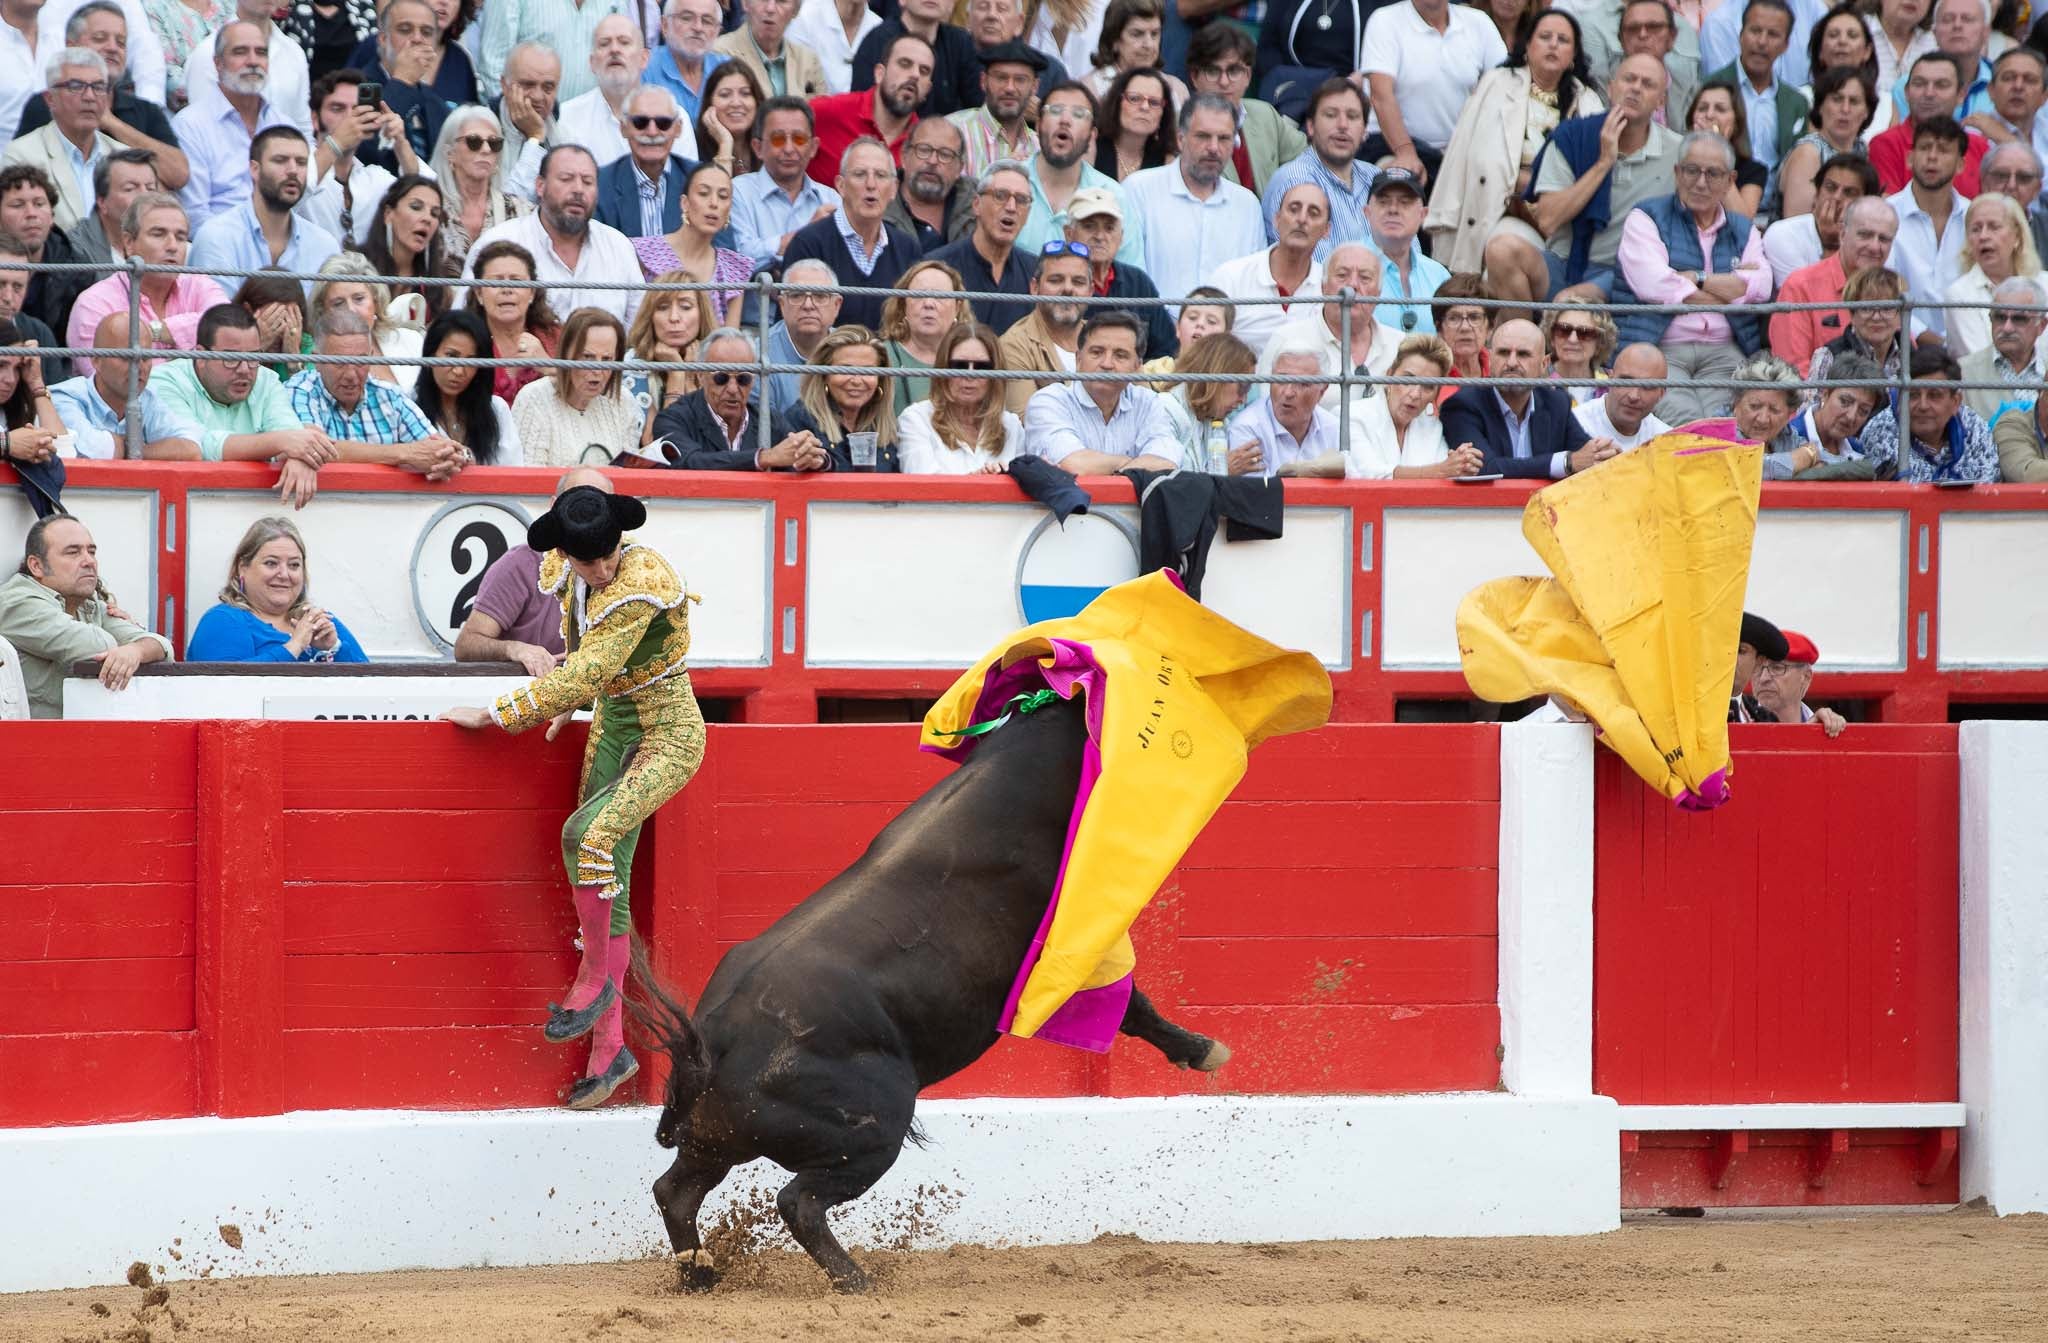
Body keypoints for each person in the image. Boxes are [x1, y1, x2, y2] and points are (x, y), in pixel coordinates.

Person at [441, 485, 709, 1110]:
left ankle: (592, 982)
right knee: (595, 855)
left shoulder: (643, 575)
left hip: (666, 733)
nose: (603, 569)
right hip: (615, 726)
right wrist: (576, 702)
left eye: (608, 554)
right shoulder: (562, 569)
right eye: (590, 562)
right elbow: (588, 662)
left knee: (588, 837)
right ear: (566, 552)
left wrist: (497, 714)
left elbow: (587, 669)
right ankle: (609, 1050)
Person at [1483, 53, 1683, 307]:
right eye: (1629, 79)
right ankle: (1524, 341)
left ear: (1661, 100)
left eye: (1648, 84)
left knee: (1571, 301)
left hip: (1626, 274)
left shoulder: (1679, 152)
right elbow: (1548, 219)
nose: (1635, 88)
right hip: (1566, 265)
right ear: (1611, 89)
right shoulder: (1572, 137)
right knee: (1501, 250)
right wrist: (1602, 164)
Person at [1427, 8, 1605, 276]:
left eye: (1563, 40)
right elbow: (1461, 151)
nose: (1553, 44)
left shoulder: (1588, 103)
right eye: (1545, 36)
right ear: (1527, 47)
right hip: (1498, 209)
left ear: (1573, 57)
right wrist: (1445, 216)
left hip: (1560, 220)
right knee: (1496, 259)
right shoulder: (1496, 83)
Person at [1613, 130, 1772, 423]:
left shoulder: (1742, 228)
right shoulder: (1646, 217)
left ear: (1729, 181)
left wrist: (1697, 278)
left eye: (1713, 173)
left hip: (1725, 351)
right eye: (1692, 170)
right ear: (1676, 172)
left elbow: (1762, 287)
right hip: (1662, 347)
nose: (1701, 182)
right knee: (1686, 421)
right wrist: (1732, 289)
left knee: (1722, 423)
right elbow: (1654, 284)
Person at [146, 302, 337, 503]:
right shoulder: (164, 381)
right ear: (201, 355)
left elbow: (293, 435)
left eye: (253, 357)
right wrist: (282, 442)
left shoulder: (267, 379)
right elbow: (195, 446)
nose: (245, 369)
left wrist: (299, 457)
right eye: (232, 358)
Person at [0, 514, 171, 717]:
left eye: (91, 551)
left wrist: (135, 651)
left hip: (78, 737)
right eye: (73, 552)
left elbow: (163, 647)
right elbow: (97, 647)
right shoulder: (16, 602)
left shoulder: (87, 604)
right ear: (36, 566)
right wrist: (125, 649)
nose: (89, 561)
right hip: (23, 743)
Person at [453, 465, 613, 675]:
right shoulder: (520, 564)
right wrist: (515, 649)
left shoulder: (633, 564)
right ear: (555, 507)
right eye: (578, 507)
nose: (589, 517)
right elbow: (466, 646)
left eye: (600, 507)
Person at [463, 145, 646, 328]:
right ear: (540, 186)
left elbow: (638, 332)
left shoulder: (619, 246)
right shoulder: (498, 242)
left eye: (588, 182)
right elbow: (463, 324)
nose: (578, 190)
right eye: (566, 179)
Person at [283, 310, 467, 476]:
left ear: (372, 356)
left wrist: (451, 456)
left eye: (361, 362)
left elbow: (434, 448)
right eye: (339, 362)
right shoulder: (301, 389)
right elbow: (314, 448)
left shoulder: (389, 396)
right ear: (316, 360)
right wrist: (404, 454)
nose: (351, 374)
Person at [1123, 93, 1263, 301]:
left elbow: (1251, 284)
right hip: (1153, 328)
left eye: (1224, 138)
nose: (1214, 148)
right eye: (1203, 136)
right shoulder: (1139, 190)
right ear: (1180, 139)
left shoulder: (1247, 204)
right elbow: (1129, 277)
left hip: (1228, 330)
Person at [66, 193, 224, 375]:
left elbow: (226, 330)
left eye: (181, 237)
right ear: (129, 242)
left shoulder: (202, 286)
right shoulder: (94, 304)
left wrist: (154, 331)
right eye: (159, 234)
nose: (173, 246)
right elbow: (110, 379)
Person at [1361, 0, 1510, 190]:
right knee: (1400, 181)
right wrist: (1406, 153)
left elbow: (1507, 87)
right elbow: (1381, 96)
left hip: (1461, 152)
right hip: (1391, 147)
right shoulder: (1384, 20)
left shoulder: (1479, 22)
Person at [782, 137, 925, 332]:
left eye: (881, 175)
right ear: (840, 186)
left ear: (894, 189)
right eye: (860, 174)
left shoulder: (907, 248)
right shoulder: (809, 244)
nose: (871, 184)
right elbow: (792, 325)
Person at [1440, 317, 1613, 477]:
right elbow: (1486, 469)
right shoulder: (1463, 405)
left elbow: (1584, 457)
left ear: (1544, 364)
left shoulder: (1557, 402)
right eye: (1503, 353)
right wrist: (1565, 462)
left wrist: (1602, 454)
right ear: (1491, 358)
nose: (1512, 363)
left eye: (1523, 354)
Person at [1302, 334, 1485, 480]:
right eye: (1407, 380)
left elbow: (1446, 473)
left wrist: (1463, 462)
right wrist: (1442, 470)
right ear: (1389, 376)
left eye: (1428, 386)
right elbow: (1371, 475)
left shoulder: (1432, 427)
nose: (1415, 394)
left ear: (1435, 395)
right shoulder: (1351, 415)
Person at [186, 516, 367, 662]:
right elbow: (225, 689)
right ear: (243, 567)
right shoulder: (224, 619)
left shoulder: (318, 620)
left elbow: (373, 687)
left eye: (294, 565)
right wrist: (295, 645)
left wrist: (334, 646)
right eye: (271, 563)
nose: (284, 574)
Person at [651, 326, 830, 471]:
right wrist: (762, 457)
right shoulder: (673, 418)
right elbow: (690, 463)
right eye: (721, 378)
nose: (732, 389)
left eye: (743, 379)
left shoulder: (768, 419)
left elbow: (807, 458)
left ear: (753, 381)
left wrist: (816, 460)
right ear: (700, 376)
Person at [1023, 309, 1181, 473]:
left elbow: (1166, 462)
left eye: (1120, 355)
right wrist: (1130, 464)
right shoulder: (1049, 401)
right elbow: (1073, 465)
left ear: (1136, 367)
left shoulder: (1149, 403)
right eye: (1097, 352)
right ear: (1078, 360)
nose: (1107, 364)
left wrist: (1107, 467)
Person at [1257, 243, 1404, 414]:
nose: (1352, 285)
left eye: (1365, 278)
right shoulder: (1287, 339)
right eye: (1342, 275)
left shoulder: (1400, 345)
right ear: (1323, 287)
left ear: (1378, 292)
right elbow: (1266, 414)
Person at [1015, 81, 1145, 266]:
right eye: (1055, 110)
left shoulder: (1113, 195)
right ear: (1038, 125)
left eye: (1078, 114)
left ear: (1092, 135)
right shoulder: (1006, 181)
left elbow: (1131, 282)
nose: (1065, 120)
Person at [187, 124, 340, 276]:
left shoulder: (325, 246)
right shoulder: (216, 237)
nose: (293, 170)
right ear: (254, 169)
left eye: (301, 162)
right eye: (280, 160)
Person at [1769, 194, 1899, 372]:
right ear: (1843, 234)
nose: (1875, 247)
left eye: (1883, 239)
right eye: (1865, 235)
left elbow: (1908, 357)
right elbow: (1793, 372)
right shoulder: (1800, 286)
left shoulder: (1894, 289)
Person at [48, 311, 203, 457]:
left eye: (146, 357)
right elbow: (92, 449)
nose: (139, 366)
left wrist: (133, 451)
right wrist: (146, 450)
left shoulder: (148, 398)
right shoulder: (63, 397)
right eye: (127, 357)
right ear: (96, 360)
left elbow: (191, 448)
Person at [170, 20, 278, 228]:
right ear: (218, 63)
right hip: (220, 250)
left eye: (261, 52)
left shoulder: (282, 124)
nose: (253, 61)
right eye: (240, 52)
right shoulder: (190, 126)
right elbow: (194, 214)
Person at [300, 67, 424, 248]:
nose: (351, 118)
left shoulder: (375, 179)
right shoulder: (296, 165)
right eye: (337, 108)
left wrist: (400, 143)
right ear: (315, 119)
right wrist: (337, 142)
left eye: (358, 109)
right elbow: (286, 198)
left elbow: (422, 199)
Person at [1202, 179, 1327, 358]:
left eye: (1313, 213)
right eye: (1293, 209)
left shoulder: (1330, 287)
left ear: (1327, 230)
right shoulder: (1231, 277)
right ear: (1276, 219)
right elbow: (1203, 350)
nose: (1302, 219)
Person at [1259, 77, 1374, 263]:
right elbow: (1316, 273)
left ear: (1364, 131)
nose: (1343, 125)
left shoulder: (1374, 177)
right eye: (1330, 115)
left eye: (1352, 116)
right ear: (1310, 127)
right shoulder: (1295, 180)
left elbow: (1408, 259)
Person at [3, 48, 119, 231]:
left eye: (98, 87)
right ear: (50, 98)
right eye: (75, 86)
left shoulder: (123, 156)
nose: (89, 96)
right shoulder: (20, 157)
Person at [1186, 21, 1304, 201]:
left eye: (1233, 71)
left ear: (1248, 76)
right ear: (1194, 77)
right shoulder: (1182, 126)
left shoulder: (1265, 114)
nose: (1224, 82)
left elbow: (1307, 159)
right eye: (1213, 71)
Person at [512, 306, 636, 469]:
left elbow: (630, 476)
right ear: (566, 354)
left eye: (607, 359)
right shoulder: (534, 398)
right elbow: (528, 483)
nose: (597, 370)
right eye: (587, 357)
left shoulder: (622, 400)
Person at [1060, 182, 1174, 359]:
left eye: (1109, 228)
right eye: (1089, 226)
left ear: (1121, 237)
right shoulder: (1057, 284)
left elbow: (1167, 349)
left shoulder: (1138, 282)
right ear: (1069, 234)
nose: (1100, 236)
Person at [1701, 0, 1811, 181]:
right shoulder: (1708, 89)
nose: (1762, 41)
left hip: (1779, 206)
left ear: (1785, 45)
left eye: (1773, 34)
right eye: (1755, 31)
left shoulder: (1795, 102)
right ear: (1741, 35)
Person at [629, 162, 750, 326]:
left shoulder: (733, 268)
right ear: (684, 203)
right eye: (703, 193)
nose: (714, 203)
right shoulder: (643, 252)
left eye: (723, 196)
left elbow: (730, 341)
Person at [1886, 113, 1971, 344]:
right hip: (1901, 343)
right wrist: (1923, 336)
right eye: (1925, 148)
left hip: (1968, 345)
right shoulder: (1885, 215)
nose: (1932, 157)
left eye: (1943, 150)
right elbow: (1881, 288)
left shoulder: (1975, 218)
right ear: (1910, 158)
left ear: (1961, 164)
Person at [897, 317, 1023, 472]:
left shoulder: (1011, 426)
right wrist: (978, 482)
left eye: (981, 367)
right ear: (943, 368)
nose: (969, 375)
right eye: (960, 365)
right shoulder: (916, 419)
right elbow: (922, 488)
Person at [1858, 343, 2002, 479]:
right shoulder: (1880, 431)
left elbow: (1986, 488)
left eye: (1934, 395)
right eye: (1913, 395)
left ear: (1955, 402)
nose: (1923, 405)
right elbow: (1915, 493)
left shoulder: (1974, 427)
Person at [730, 96, 841, 271]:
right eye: (778, 139)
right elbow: (739, 259)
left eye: (799, 139)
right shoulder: (738, 191)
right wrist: (809, 234)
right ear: (758, 148)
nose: (789, 149)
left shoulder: (831, 199)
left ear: (813, 147)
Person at [808, 30, 931, 185]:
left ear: (928, 89)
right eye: (905, 64)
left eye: (924, 71)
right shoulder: (827, 112)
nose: (915, 75)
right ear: (879, 74)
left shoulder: (925, 145)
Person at [340, 0, 453, 170]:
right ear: (383, 39)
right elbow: (365, 151)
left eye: (427, 32)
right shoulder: (355, 86)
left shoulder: (437, 104)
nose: (417, 39)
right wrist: (403, 81)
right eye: (405, 30)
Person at [926, 159, 1035, 330]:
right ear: (976, 205)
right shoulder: (938, 268)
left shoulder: (1036, 272)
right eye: (1000, 196)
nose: (1011, 207)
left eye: (1021, 200)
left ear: (1028, 214)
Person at [1217, 330, 1343, 476]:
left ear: (1322, 390)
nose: (1288, 393)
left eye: (1301, 384)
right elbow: (1253, 495)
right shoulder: (1247, 428)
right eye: (1281, 380)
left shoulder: (1333, 428)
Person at [184, 0, 313, 136]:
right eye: (240, 52)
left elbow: (303, 130)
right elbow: (200, 129)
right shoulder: (207, 52)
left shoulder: (294, 53)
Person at [1868, 51, 1987, 194]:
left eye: (1941, 85)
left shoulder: (1979, 147)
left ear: (1961, 95)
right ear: (1906, 92)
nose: (1929, 93)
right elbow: (1888, 209)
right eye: (1919, 84)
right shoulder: (1886, 144)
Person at [414, 306, 520, 466]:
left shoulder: (497, 409)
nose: (459, 371)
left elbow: (513, 472)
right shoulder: (407, 404)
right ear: (431, 353)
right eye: (451, 356)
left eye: (470, 361)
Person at [784, 323, 899, 470]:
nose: (857, 380)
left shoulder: (883, 426)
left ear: (880, 379)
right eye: (845, 369)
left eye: (868, 371)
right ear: (824, 375)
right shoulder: (801, 420)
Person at [1942, 189, 2043, 354]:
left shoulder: (2044, 284)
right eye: (1975, 229)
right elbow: (1980, 361)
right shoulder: (1959, 294)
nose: (1983, 236)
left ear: (2017, 236)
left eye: (1994, 227)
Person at [463, 238, 560, 407]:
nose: (507, 289)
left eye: (516, 281)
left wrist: (547, 366)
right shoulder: (463, 340)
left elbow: (583, 392)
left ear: (531, 293)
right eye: (496, 282)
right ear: (479, 293)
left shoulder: (558, 337)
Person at [624, 268, 715, 445]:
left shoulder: (718, 363)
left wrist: (690, 381)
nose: (674, 317)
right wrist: (677, 375)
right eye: (663, 308)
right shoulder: (633, 364)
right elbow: (658, 444)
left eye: (685, 307)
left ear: (702, 314)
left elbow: (712, 443)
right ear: (650, 316)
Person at [592, 86, 696, 239]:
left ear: (678, 129)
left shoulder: (699, 181)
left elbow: (724, 255)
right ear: (623, 128)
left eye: (663, 123)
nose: (652, 132)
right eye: (640, 122)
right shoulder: (599, 185)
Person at [0, 165, 88, 344]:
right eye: (18, 205)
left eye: (39, 204)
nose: (31, 214)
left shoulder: (78, 270)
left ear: (52, 216)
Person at [1764, 149, 1881, 283]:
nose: (1837, 197)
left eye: (1849, 192)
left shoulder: (1877, 241)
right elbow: (1807, 300)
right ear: (1816, 194)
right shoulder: (1783, 234)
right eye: (1830, 187)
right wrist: (1830, 244)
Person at [999, 237, 1089, 409]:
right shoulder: (1014, 345)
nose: (1068, 289)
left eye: (1078, 282)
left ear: (1091, 291)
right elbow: (1027, 422)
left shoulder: (1108, 339)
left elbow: (1144, 409)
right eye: (1056, 280)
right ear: (1034, 288)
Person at [556, 17, 658, 169]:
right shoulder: (567, 118)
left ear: (644, 58)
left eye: (624, 42)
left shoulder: (670, 118)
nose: (614, 50)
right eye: (604, 44)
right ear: (592, 62)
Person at [1777, 65, 1878, 217]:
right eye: (1837, 99)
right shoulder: (1808, 153)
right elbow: (1796, 224)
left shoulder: (1862, 149)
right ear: (1820, 107)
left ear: (1866, 112)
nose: (1845, 109)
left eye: (1854, 101)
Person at [850, 0, 980, 117]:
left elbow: (977, 107)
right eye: (905, 63)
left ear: (952, 4)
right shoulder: (877, 40)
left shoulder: (961, 43)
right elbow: (861, 107)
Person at [311, 250, 422, 386]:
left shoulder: (411, 340)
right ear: (323, 311)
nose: (351, 310)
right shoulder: (320, 356)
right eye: (338, 303)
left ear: (375, 301)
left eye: (359, 299)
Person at [1768, 349, 1885, 476]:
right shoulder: (1786, 437)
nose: (1851, 416)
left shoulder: (1857, 451)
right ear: (1825, 393)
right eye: (1845, 401)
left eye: (1863, 411)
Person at [1363, 168, 1448, 335]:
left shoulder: (1439, 275)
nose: (1393, 209)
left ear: (1423, 214)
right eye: (1384, 201)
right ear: (1367, 212)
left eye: (1405, 202)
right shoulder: (1345, 268)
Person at [877, 256, 969, 411]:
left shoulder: (972, 360)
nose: (928, 304)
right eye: (919, 295)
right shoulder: (881, 356)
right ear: (903, 303)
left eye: (940, 296)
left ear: (957, 307)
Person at [945, 38, 1042, 180]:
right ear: (983, 81)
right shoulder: (952, 130)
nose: (1010, 88)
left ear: (1035, 87)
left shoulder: (1039, 147)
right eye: (1001, 78)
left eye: (1020, 79)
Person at [359, 173, 453, 319]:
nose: (427, 218)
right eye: (416, 207)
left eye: (435, 214)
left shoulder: (439, 287)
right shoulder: (355, 268)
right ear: (388, 214)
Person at [0, 316, 69, 514]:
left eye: (18, 368)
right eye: (1, 366)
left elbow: (66, 454)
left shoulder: (17, 407)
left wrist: (36, 384)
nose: (10, 379)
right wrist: (7, 444)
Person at [1154, 329, 1256, 462]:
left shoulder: (1219, 424)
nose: (1243, 399)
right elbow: (1167, 477)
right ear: (1217, 376)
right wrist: (1224, 472)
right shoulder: (1165, 410)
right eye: (1243, 387)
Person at [760, 256, 841, 417]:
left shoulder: (853, 353)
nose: (808, 305)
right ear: (782, 305)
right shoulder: (759, 354)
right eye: (797, 295)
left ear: (837, 305)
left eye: (820, 296)